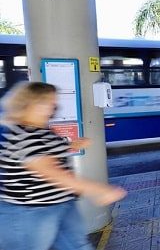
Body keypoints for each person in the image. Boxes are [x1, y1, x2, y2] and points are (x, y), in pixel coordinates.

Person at [0, 82, 126, 250]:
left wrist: (72, 146)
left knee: (77, 246)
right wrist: (98, 189)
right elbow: (53, 173)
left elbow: (48, 153)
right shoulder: (23, 134)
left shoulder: (41, 128)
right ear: (28, 104)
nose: (54, 106)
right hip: (31, 211)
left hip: (62, 204)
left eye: (54, 101)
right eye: (48, 102)